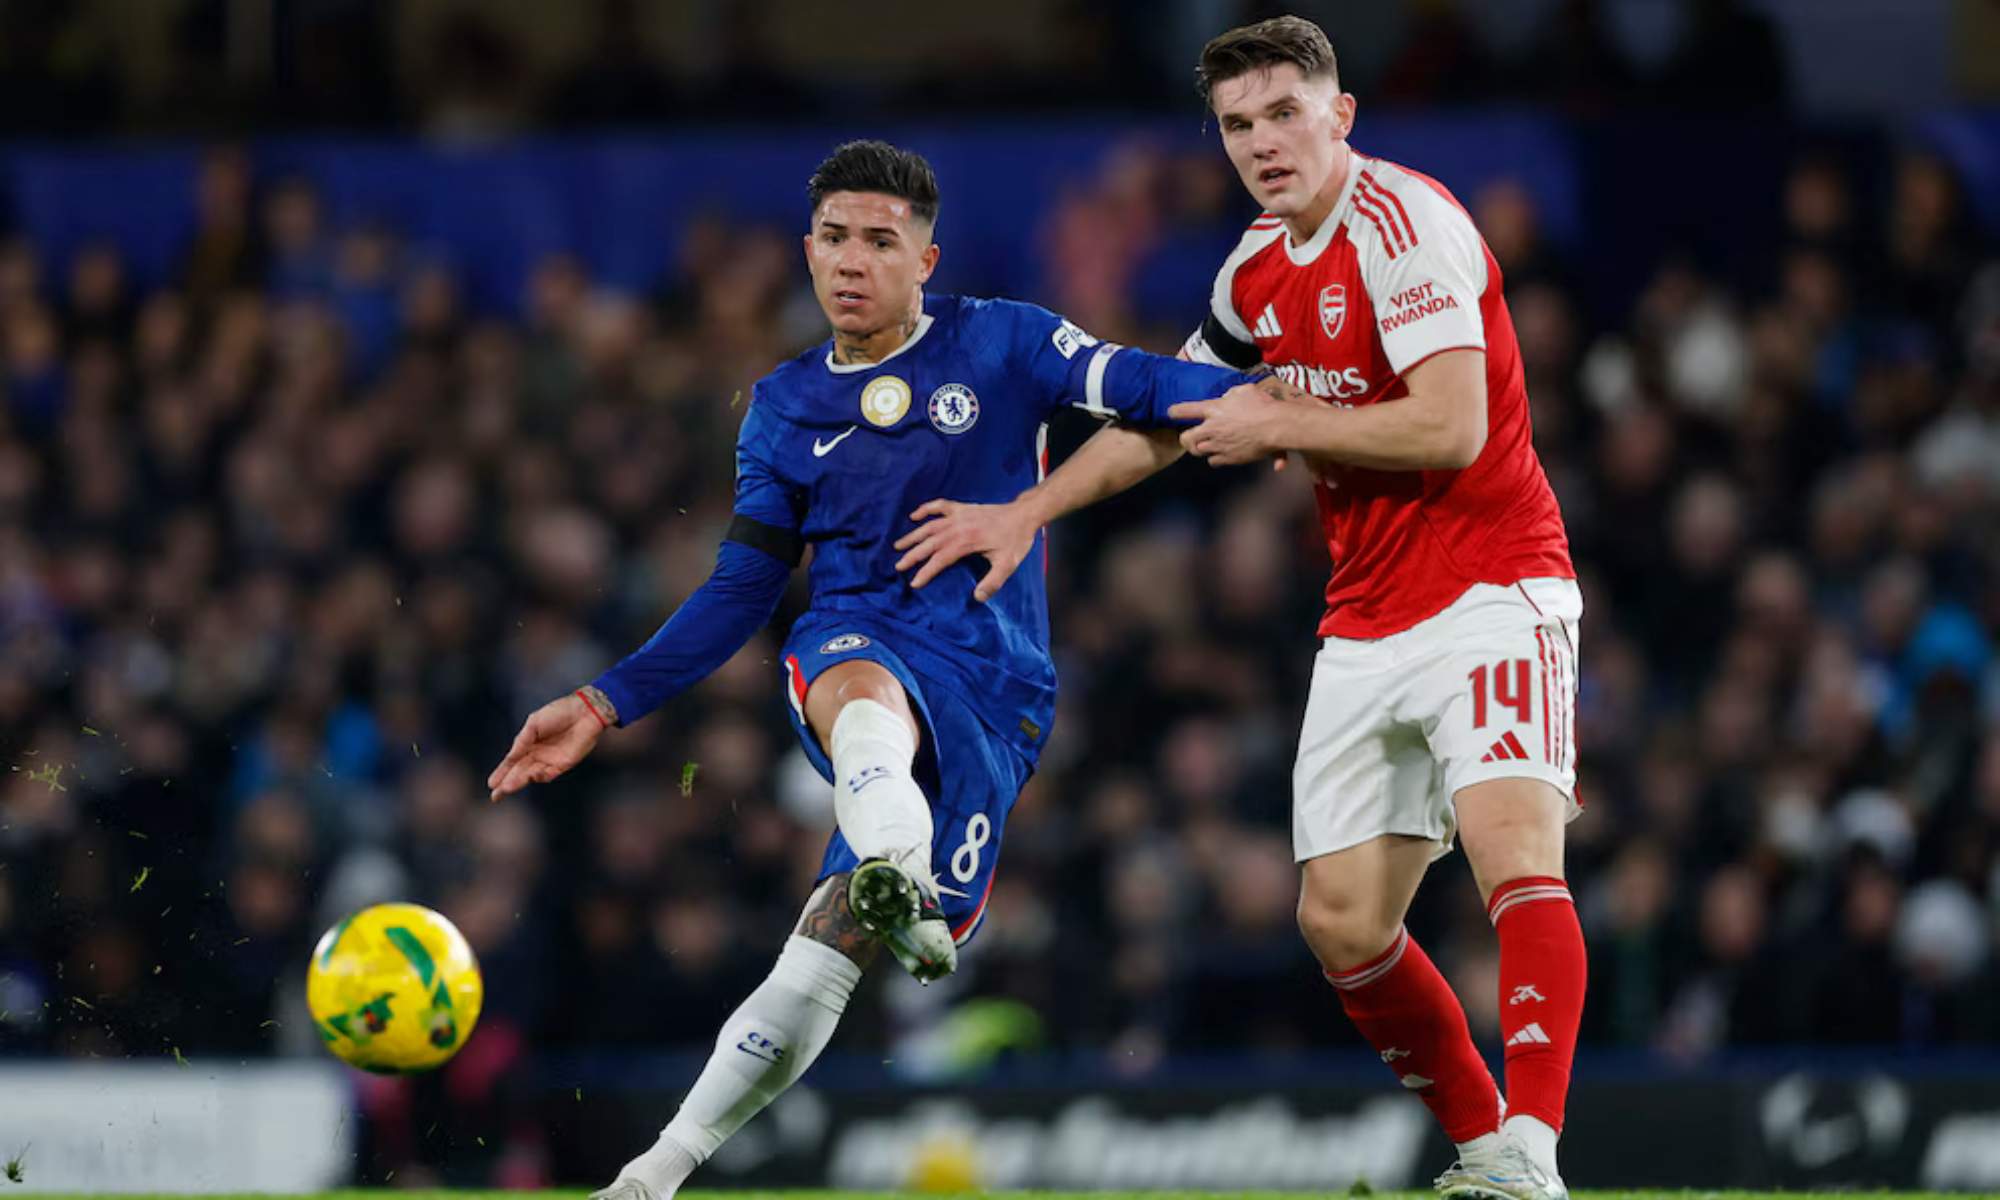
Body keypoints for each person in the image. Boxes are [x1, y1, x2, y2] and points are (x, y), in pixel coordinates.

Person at [894, 17, 1584, 1200]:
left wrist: (1283, 420)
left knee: (1511, 851)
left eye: (1282, 113)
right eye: (1236, 123)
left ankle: (1529, 1148)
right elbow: (1169, 419)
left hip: (1492, 582)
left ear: (1340, 114)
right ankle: (1481, 1152)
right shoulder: (1250, 271)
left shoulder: (1407, 228)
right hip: (1365, 614)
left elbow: (1451, 424)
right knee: (1340, 925)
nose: (1262, 141)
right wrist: (1028, 511)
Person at [485, 139, 1250, 1200]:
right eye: (835, 239)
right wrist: (601, 701)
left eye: (880, 242)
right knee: (842, 669)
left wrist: (1271, 383)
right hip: (861, 653)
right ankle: (651, 1177)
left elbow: (1145, 388)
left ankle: (896, 876)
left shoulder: (1006, 342)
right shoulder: (784, 406)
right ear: (807, 251)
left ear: (924, 260)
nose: (853, 261)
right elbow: (743, 590)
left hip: (996, 688)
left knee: (827, 946)